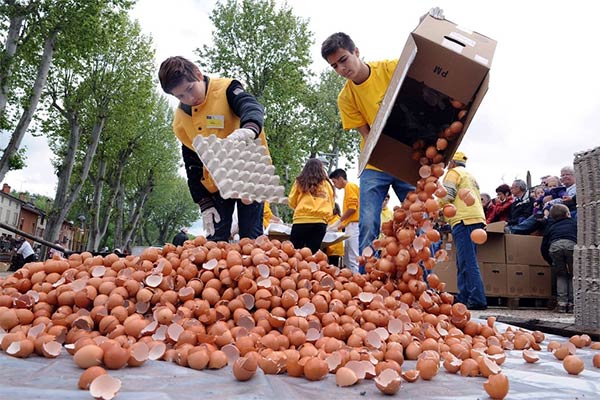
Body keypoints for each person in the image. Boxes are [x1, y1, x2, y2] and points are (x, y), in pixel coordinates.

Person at [321, 32, 414, 260]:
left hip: (408, 158)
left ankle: (424, 283)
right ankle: (368, 280)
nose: (341, 69)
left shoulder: (390, 69)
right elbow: (368, 135)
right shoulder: (346, 98)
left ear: (356, 52)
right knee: (369, 221)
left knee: (418, 218)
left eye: (343, 60)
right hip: (376, 161)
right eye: (334, 66)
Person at [158, 56, 266, 242]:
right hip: (216, 181)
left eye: (190, 89)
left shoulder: (227, 89)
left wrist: (249, 130)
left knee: (251, 239)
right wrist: (203, 202)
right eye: (181, 96)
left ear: (198, 74)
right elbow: (192, 164)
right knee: (216, 240)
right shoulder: (181, 121)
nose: (189, 98)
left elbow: (250, 105)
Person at [438, 152, 487, 310]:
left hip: (464, 220)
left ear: (452, 162)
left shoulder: (453, 173)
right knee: (463, 260)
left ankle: (477, 298)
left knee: (467, 261)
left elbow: (447, 196)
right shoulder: (468, 175)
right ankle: (464, 297)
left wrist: (434, 209)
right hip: (474, 218)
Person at [287, 158, 335, 254]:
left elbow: (292, 201)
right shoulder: (327, 184)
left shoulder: (300, 182)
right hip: (320, 223)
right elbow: (332, 204)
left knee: (294, 253)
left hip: (301, 220)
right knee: (312, 254)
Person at [541, 204, 577, 313]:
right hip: (571, 246)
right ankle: (572, 304)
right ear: (568, 214)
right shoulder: (574, 223)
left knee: (561, 275)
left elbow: (544, 246)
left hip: (555, 247)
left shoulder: (551, 227)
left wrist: (550, 260)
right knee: (572, 274)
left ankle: (561, 303)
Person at [328, 168, 360, 273]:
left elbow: (352, 208)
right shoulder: (349, 188)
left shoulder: (349, 186)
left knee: (353, 257)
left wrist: (339, 221)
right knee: (348, 257)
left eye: (334, 182)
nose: (334, 185)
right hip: (351, 225)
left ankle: (357, 280)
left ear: (341, 179)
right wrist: (337, 227)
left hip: (354, 225)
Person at [326, 203, 344, 268]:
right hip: (331, 248)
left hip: (334, 249)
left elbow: (333, 230)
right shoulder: (331, 219)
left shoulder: (336, 219)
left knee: (333, 267)